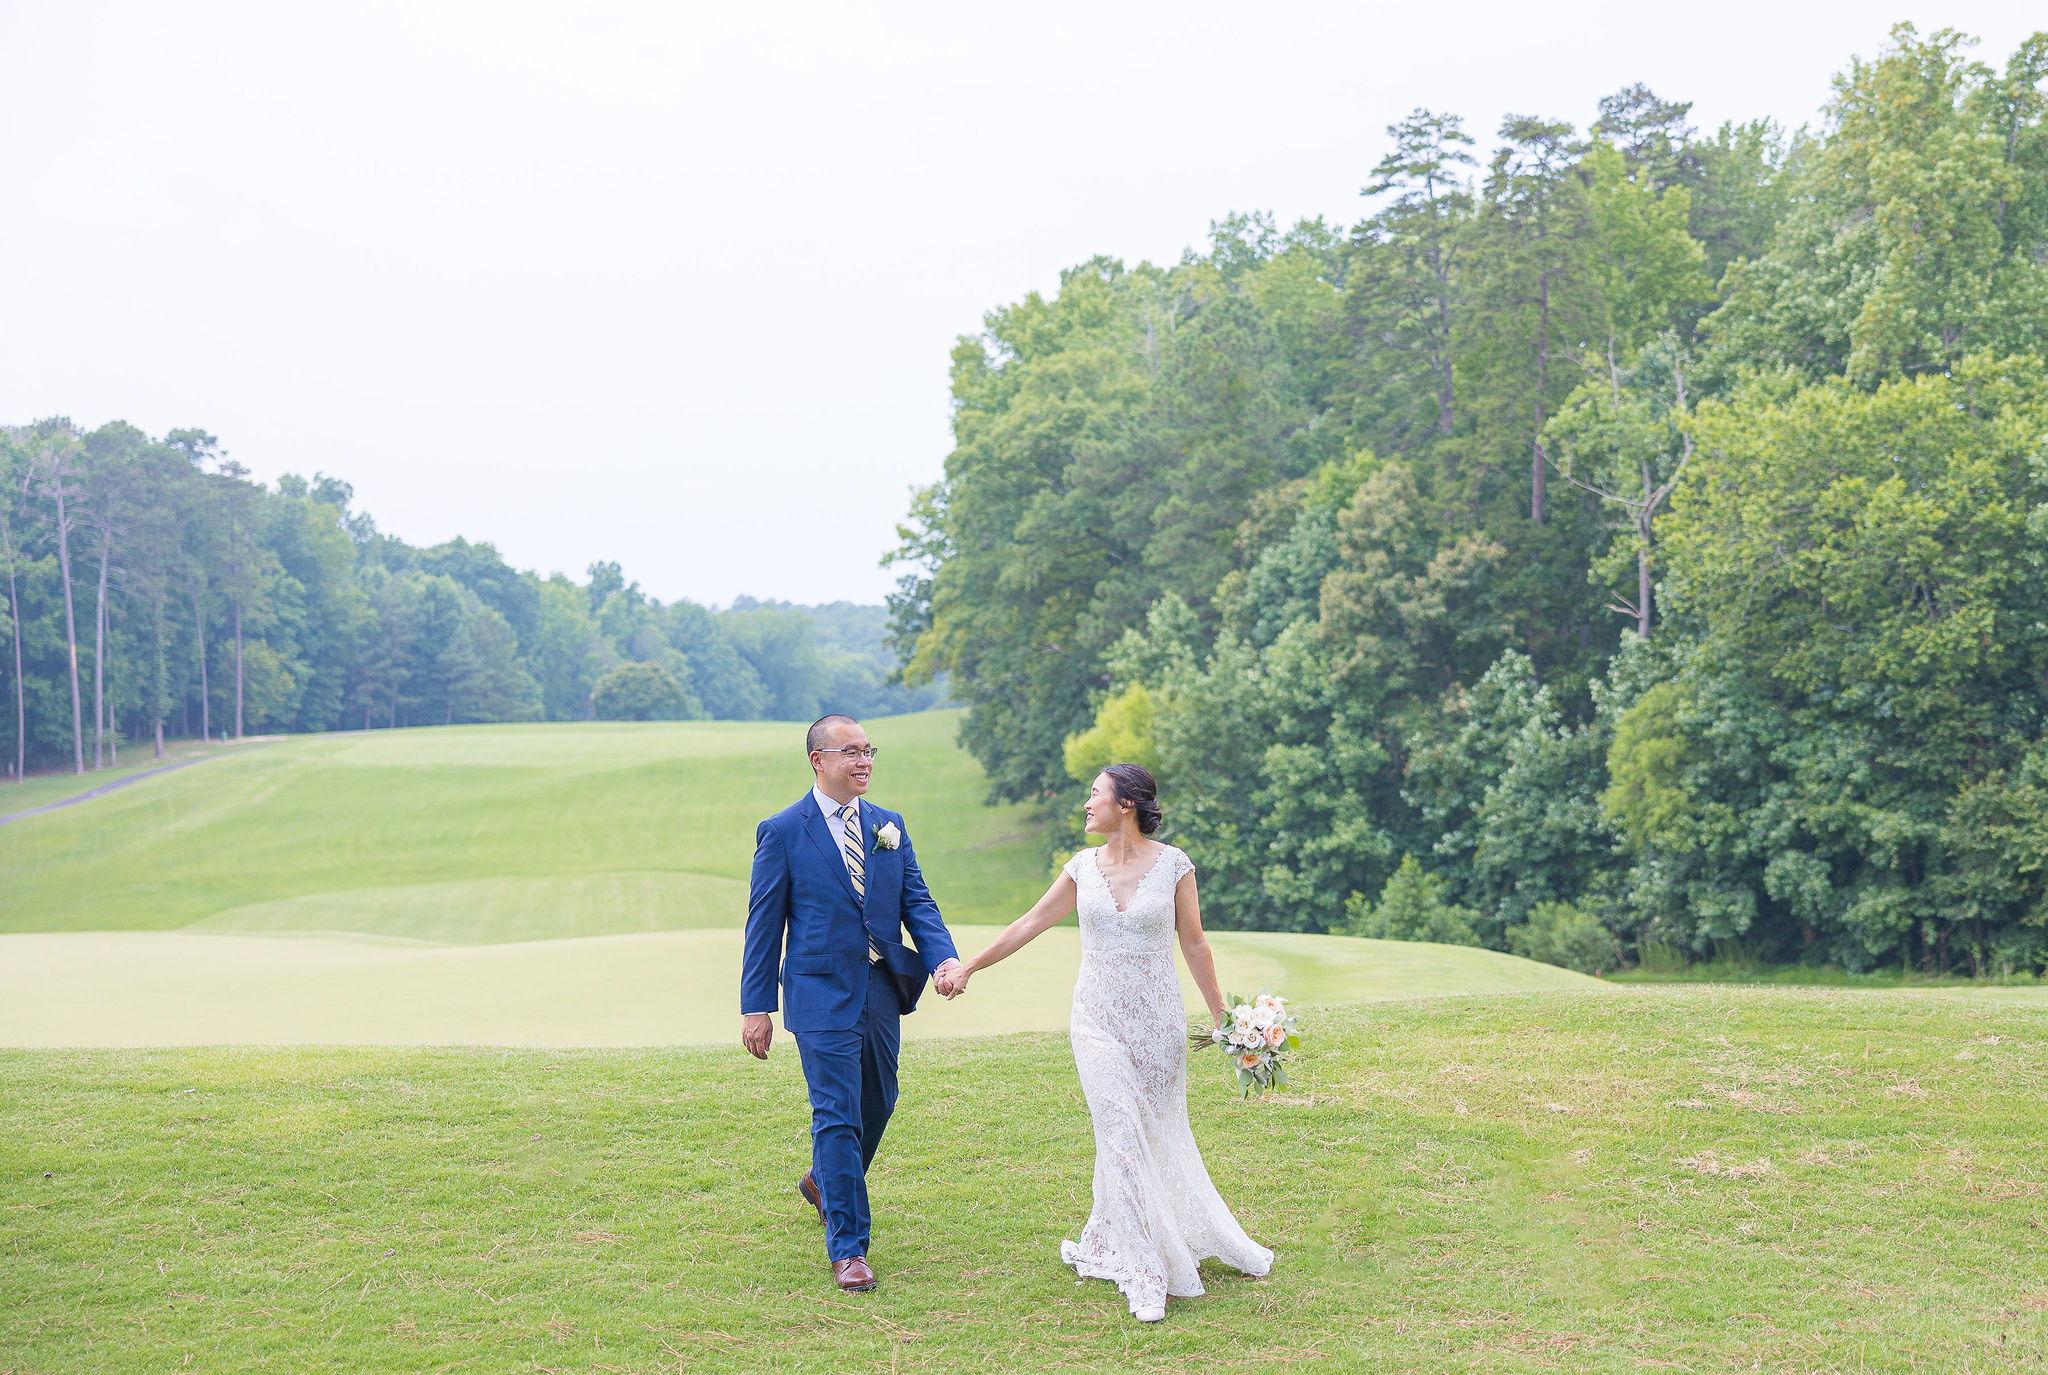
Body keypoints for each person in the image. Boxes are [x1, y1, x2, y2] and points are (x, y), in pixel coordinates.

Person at [940, 763, 1272, 1322]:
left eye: (1095, 795)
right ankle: (1144, 1271)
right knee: (1117, 1127)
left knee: (1154, 1131)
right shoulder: (1080, 869)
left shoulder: (1174, 866)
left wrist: (1227, 1021)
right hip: (1095, 1020)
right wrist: (969, 965)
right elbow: (1029, 923)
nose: (1086, 804)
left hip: (1157, 1024)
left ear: (1127, 805)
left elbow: (1194, 944)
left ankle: (1113, 1234)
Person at [738, 713, 966, 1293]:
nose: (863, 761)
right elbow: (763, 925)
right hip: (817, 992)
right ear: (819, 761)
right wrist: (756, 1006)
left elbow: (917, 899)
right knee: (835, 1114)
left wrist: (942, 957)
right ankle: (848, 1248)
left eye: (869, 751)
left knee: (880, 1100)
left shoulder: (889, 825)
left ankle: (823, 1181)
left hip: (882, 987)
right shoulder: (784, 830)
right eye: (851, 752)